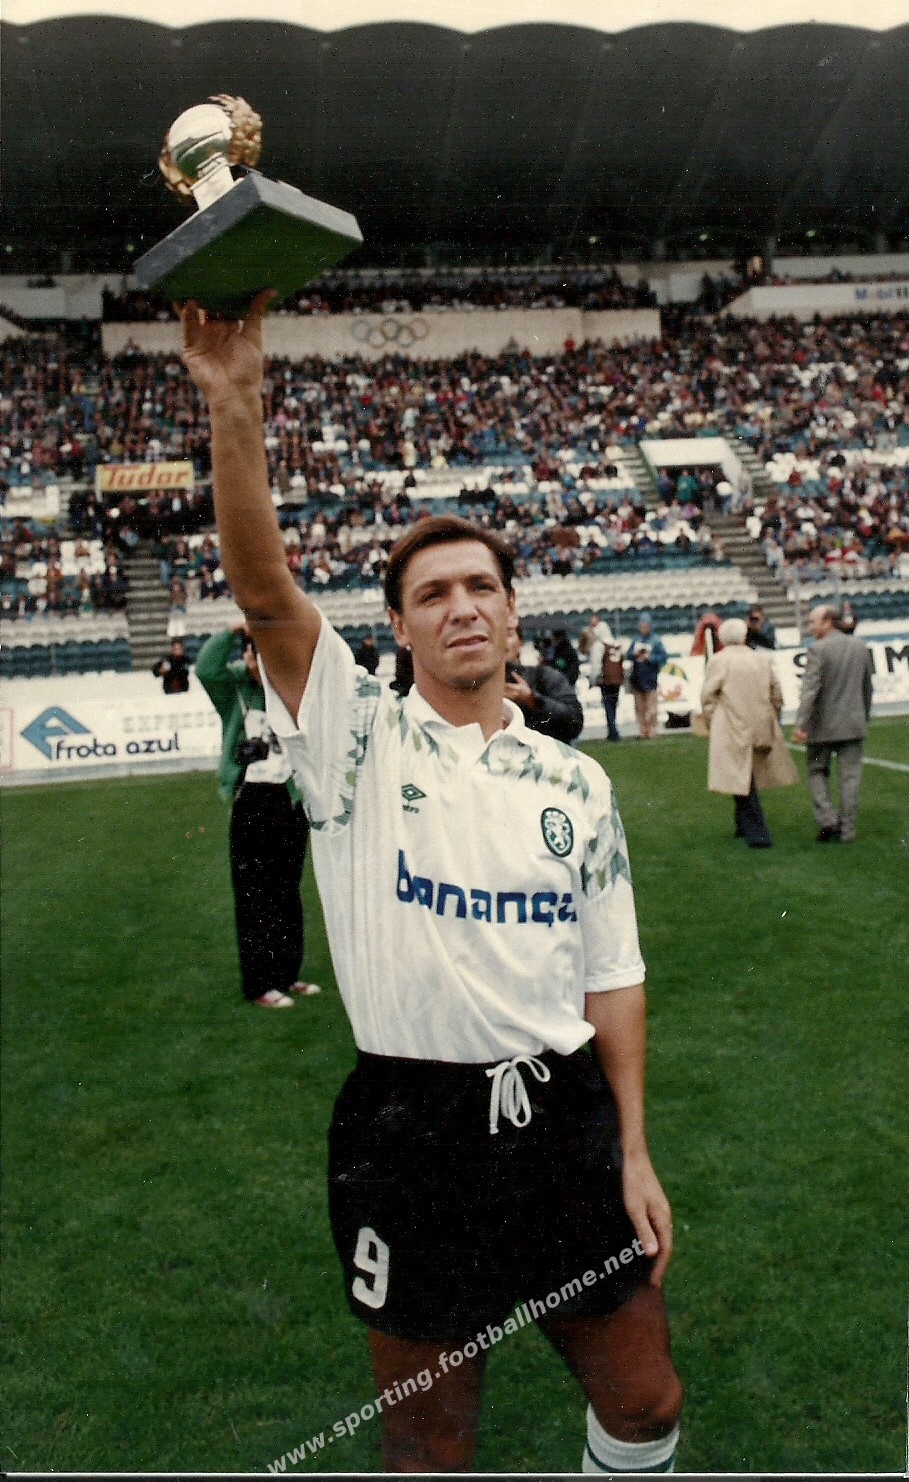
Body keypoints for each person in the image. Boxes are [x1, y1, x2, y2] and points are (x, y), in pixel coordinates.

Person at [180, 293, 682, 1475]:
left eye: (480, 588)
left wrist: (633, 1148)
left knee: (646, 1402)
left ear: (513, 615)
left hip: (563, 1121)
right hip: (412, 1132)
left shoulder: (575, 781)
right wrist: (235, 401)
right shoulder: (355, 739)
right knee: (426, 1440)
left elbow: (613, 976)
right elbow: (266, 596)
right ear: (399, 631)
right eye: (432, 595)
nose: (462, 607)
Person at [195, 623, 321, 1008]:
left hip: (290, 798)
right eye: (253, 653)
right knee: (255, 895)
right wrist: (236, 629)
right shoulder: (235, 687)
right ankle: (260, 984)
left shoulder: (291, 688)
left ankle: (287, 974)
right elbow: (206, 668)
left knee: (287, 891)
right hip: (253, 798)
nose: (258, 661)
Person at [700, 619, 797, 848]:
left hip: (732, 723)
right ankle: (743, 825)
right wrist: (773, 717)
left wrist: (713, 721)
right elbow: (776, 693)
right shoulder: (761, 659)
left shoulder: (719, 661)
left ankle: (757, 832)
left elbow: (708, 696)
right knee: (745, 774)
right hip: (759, 721)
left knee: (741, 776)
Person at [792, 604, 874, 843]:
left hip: (822, 726)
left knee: (817, 771)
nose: (810, 626)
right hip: (853, 723)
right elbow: (867, 686)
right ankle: (848, 830)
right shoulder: (859, 646)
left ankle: (828, 818)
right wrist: (864, 715)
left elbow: (810, 690)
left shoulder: (818, 649)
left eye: (813, 621)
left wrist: (801, 723)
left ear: (827, 622)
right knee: (851, 778)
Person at [503, 622, 584, 743]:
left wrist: (533, 700)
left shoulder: (543, 676)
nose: (501, 642)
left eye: (507, 635)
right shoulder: (477, 686)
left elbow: (574, 721)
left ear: (521, 643)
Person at [626, 614, 667, 741]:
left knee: (652, 707)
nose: (643, 628)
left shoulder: (656, 641)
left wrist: (650, 658)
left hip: (650, 677)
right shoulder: (636, 640)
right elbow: (628, 654)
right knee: (639, 707)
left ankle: (653, 730)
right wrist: (634, 654)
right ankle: (643, 730)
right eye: (641, 626)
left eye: (645, 626)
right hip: (637, 677)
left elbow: (663, 658)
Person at [587, 613, 624, 741]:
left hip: (606, 679)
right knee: (613, 705)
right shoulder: (616, 644)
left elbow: (596, 665)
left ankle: (613, 732)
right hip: (617, 679)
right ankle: (613, 730)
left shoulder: (599, 645)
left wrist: (593, 679)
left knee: (608, 706)